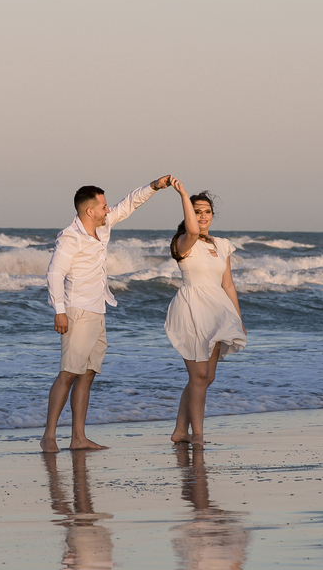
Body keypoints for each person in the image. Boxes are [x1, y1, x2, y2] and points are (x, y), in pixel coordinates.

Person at [41, 176, 172, 452]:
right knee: (67, 373)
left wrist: (154, 186)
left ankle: (78, 438)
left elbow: (128, 205)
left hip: (98, 309)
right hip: (77, 312)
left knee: (87, 374)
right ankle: (49, 437)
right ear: (90, 211)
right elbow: (54, 273)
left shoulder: (102, 229)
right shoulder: (70, 237)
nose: (108, 210)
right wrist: (59, 311)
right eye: (103, 206)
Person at [164, 181, 246, 445]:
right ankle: (197, 435)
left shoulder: (222, 245)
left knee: (207, 377)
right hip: (192, 309)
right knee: (198, 376)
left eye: (207, 211)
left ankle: (180, 430)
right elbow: (191, 228)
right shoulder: (183, 242)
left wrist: (238, 319)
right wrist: (183, 195)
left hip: (217, 311)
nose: (203, 216)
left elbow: (228, 284)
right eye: (196, 211)